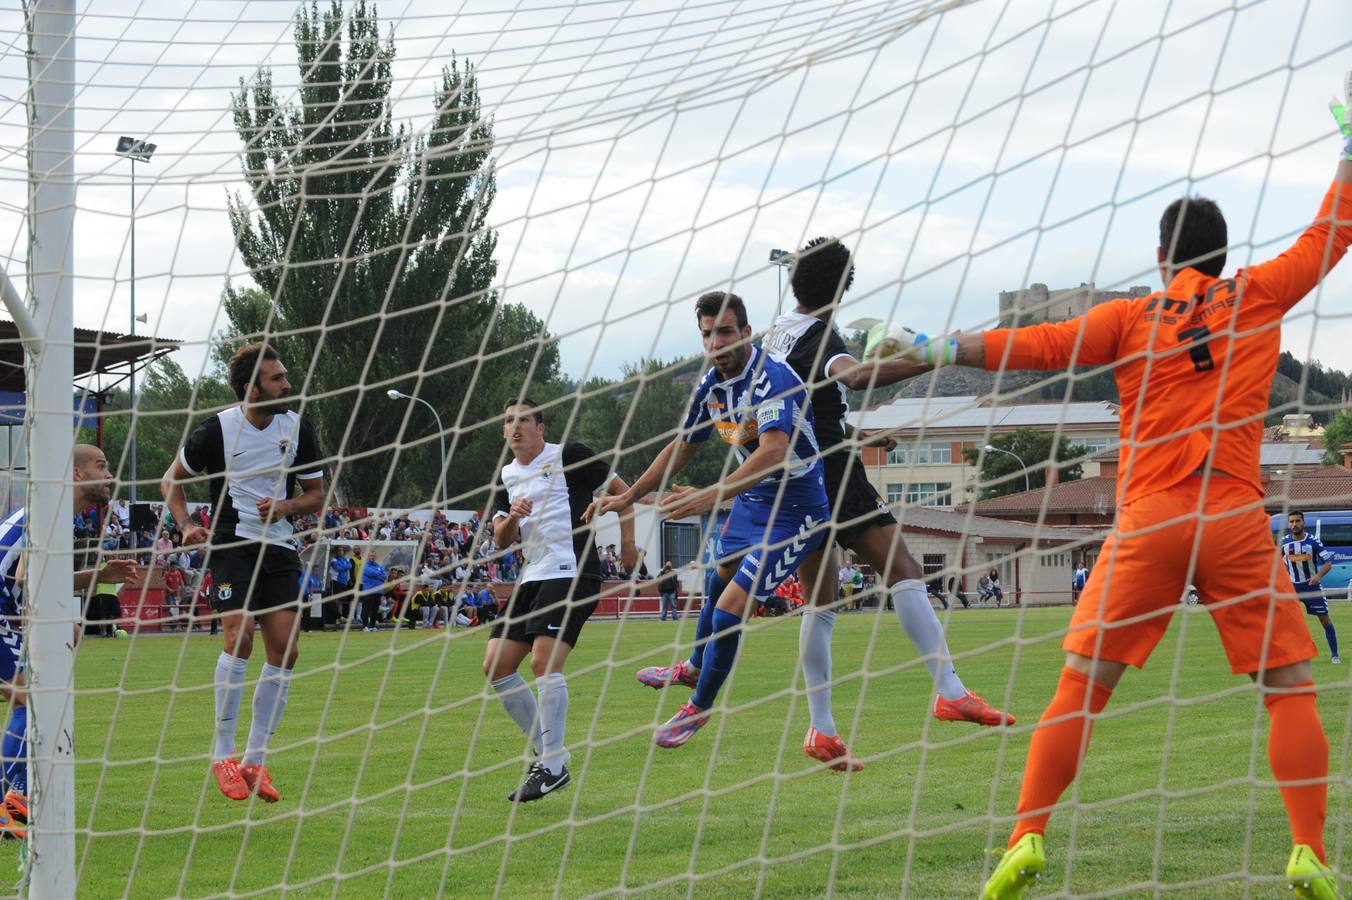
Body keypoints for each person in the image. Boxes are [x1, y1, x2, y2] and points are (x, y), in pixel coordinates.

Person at [916, 85, 1352, 898]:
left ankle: (1026, 837)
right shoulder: (1257, 293)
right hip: (1231, 515)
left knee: (1079, 691)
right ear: (1222, 256)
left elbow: (1031, 346)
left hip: (1147, 519)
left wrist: (927, 347)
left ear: (1162, 259)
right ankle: (1307, 853)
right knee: (1288, 689)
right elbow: (1334, 233)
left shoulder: (1126, 317)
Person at [762, 237, 1012, 773]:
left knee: (821, 601)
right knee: (903, 568)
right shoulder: (821, 334)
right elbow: (853, 376)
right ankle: (950, 690)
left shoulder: (775, 333)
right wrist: (927, 358)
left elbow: (801, 403)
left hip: (794, 473)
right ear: (844, 288)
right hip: (829, 469)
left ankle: (822, 729)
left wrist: (856, 432)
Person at [597, 291, 831, 750]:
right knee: (714, 582)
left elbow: (774, 450)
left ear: (746, 332)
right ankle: (693, 667)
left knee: (729, 611)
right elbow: (682, 446)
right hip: (754, 501)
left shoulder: (772, 376)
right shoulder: (711, 386)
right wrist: (630, 494)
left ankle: (699, 706)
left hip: (798, 508)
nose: (717, 342)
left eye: (725, 331)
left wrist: (713, 495)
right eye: (707, 334)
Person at [161, 342, 324, 805]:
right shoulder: (218, 429)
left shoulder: (297, 428)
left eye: (285, 376)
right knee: (240, 639)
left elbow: (315, 494)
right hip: (232, 543)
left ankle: (255, 757)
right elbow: (171, 481)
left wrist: (287, 506)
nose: (287, 384)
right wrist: (187, 524)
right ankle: (222, 755)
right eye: (277, 379)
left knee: (286, 650)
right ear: (251, 388)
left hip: (279, 546)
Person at [486, 399, 637, 803]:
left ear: (541, 427)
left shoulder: (569, 455)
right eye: (508, 422)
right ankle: (552, 755)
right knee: (496, 666)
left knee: (542, 662)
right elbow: (502, 539)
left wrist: (627, 545)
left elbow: (625, 494)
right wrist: (513, 516)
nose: (515, 428)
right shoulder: (505, 475)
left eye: (523, 420)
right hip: (532, 574)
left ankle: (551, 766)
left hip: (572, 569)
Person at [0, 445, 138, 837]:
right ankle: (14, 804)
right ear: (77, 475)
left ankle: (10, 805)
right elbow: (28, 577)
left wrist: (100, 575)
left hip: (5, 601)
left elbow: (34, 576)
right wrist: (58, 618)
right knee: (35, 698)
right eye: (101, 465)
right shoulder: (54, 510)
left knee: (29, 696)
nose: (109, 474)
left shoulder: (55, 508)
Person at [1281, 511, 1340, 664]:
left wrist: (1318, 576)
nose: (1295, 524)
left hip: (1311, 588)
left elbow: (1328, 563)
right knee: (1284, 622)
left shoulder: (1314, 542)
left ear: (1303, 523)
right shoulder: (1284, 542)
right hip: (1291, 588)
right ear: (1289, 524)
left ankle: (1334, 655)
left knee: (1324, 620)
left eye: (1297, 521)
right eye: (1292, 521)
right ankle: (1291, 656)